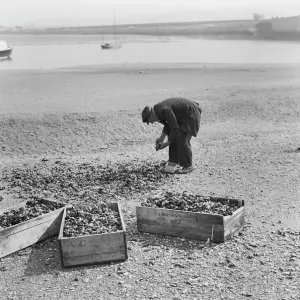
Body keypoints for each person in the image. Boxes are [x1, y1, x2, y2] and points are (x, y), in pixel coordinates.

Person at [142, 97, 202, 174]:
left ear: (152, 115)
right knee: (173, 134)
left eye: (149, 121)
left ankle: (188, 166)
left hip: (190, 114)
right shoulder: (158, 112)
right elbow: (168, 125)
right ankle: (173, 161)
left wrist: (166, 143)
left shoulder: (164, 110)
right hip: (182, 116)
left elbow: (175, 128)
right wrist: (161, 138)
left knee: (182, 137)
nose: (151, 123)